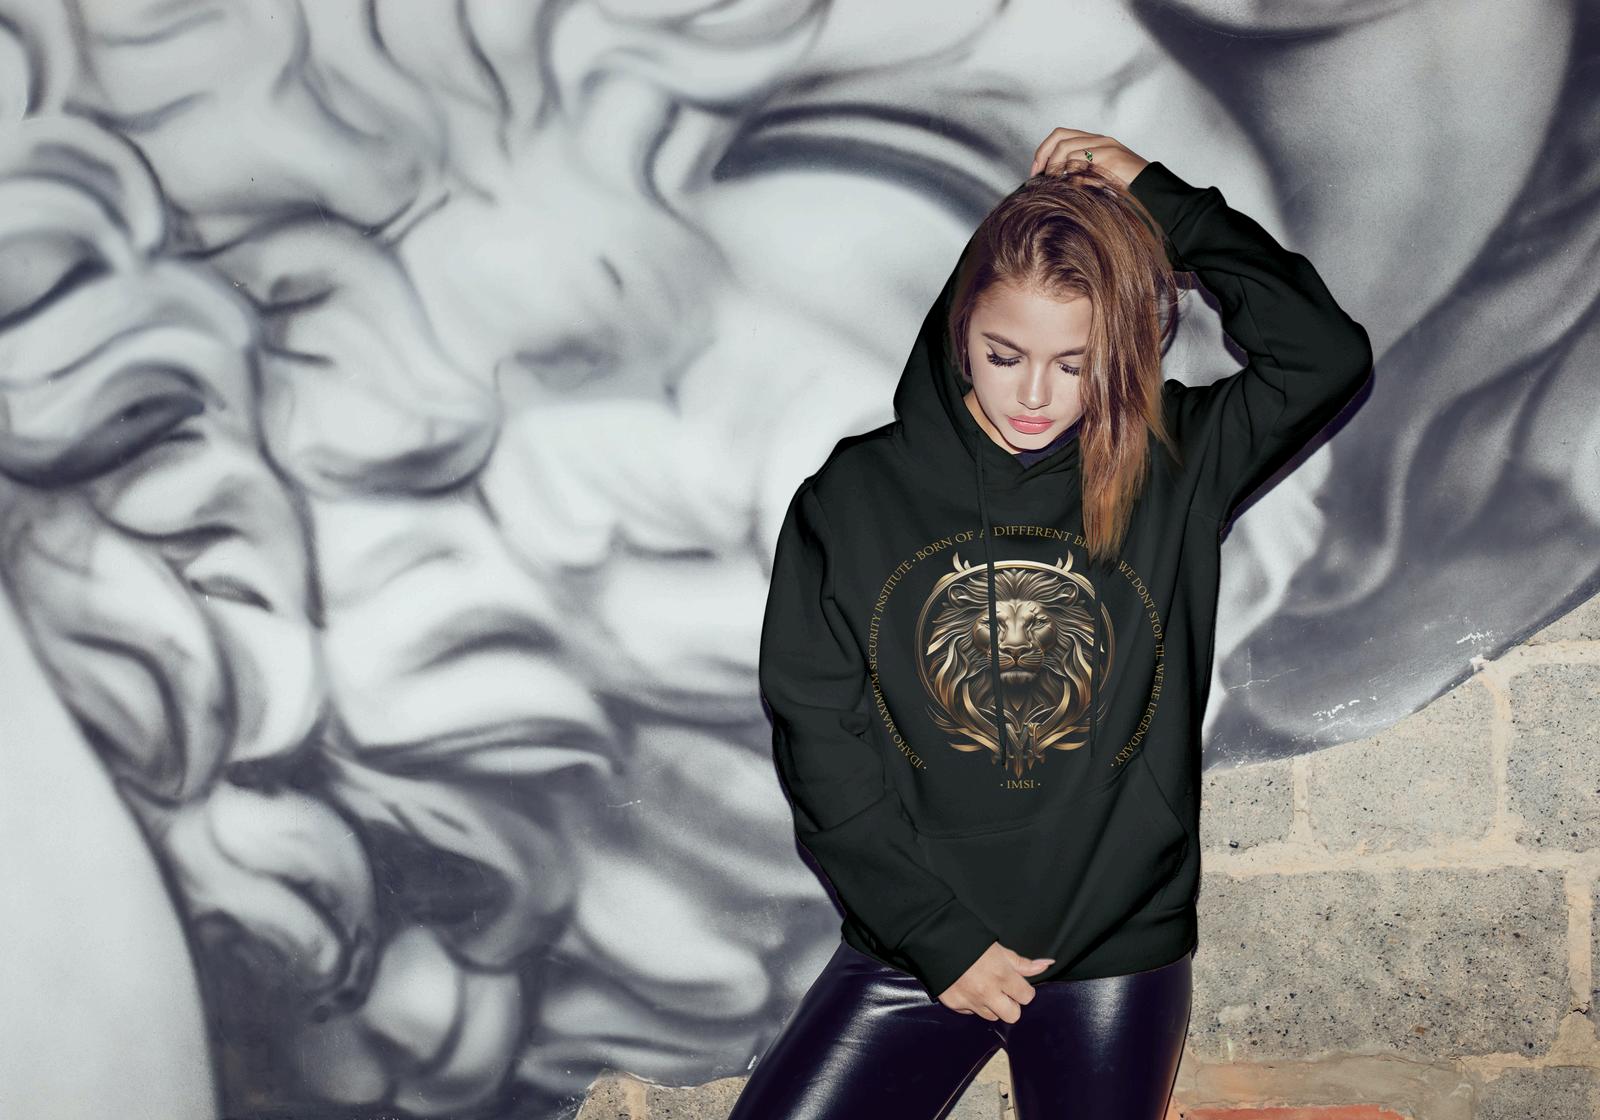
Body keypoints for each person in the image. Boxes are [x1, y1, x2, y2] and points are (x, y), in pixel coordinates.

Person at [740, 128, 1374, 1119]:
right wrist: (936, 938)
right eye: (1005, 355)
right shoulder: (854, 497)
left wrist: (1161, 199)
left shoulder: (1170, 462)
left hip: (1111, 956)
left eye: (1074, 363)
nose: (1034, 395)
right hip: (918, 945)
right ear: (960, 331)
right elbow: (818, 735)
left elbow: (1322, 354)